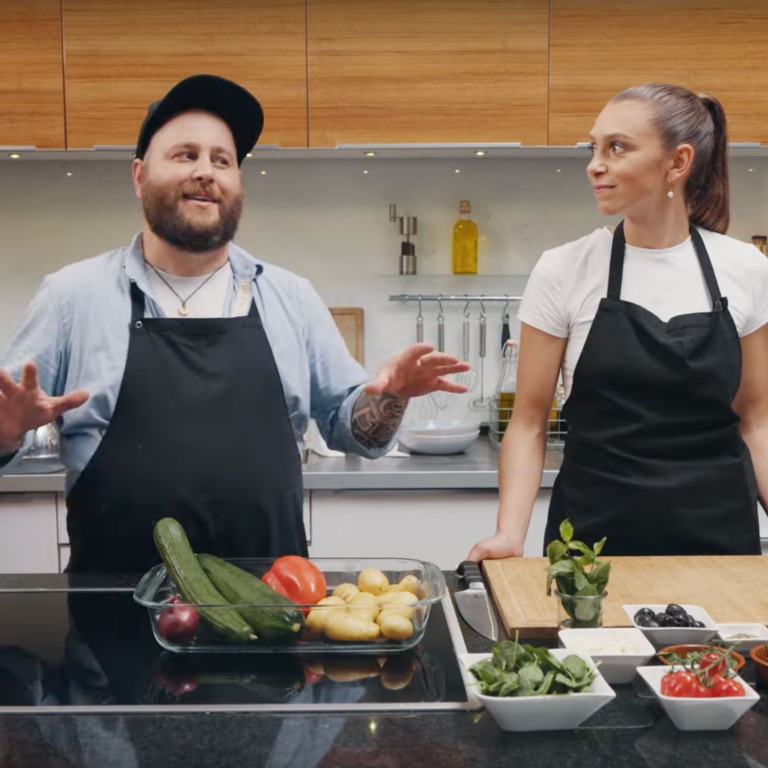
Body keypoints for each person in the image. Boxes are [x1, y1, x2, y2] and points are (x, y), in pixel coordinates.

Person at [0, 74, 469, 573]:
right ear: (139, 177)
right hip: (110, 616)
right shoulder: (72, 297)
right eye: (185, 155)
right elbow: (8, 419)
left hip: (272, 610)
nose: (206, 172)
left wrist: (390, 396)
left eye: (222, 160)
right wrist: (5, 433)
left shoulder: (290, 297)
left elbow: (358, 436)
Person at [469, 82, 768, 560]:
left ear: (678, 162)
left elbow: (756, 422)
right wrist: (509, 533)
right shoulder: (564, 268)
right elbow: (527, 423)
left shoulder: (747, 269)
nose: (595, 164)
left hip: (720, 546)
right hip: (591, 546)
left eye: (617, 147)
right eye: (593, 148)